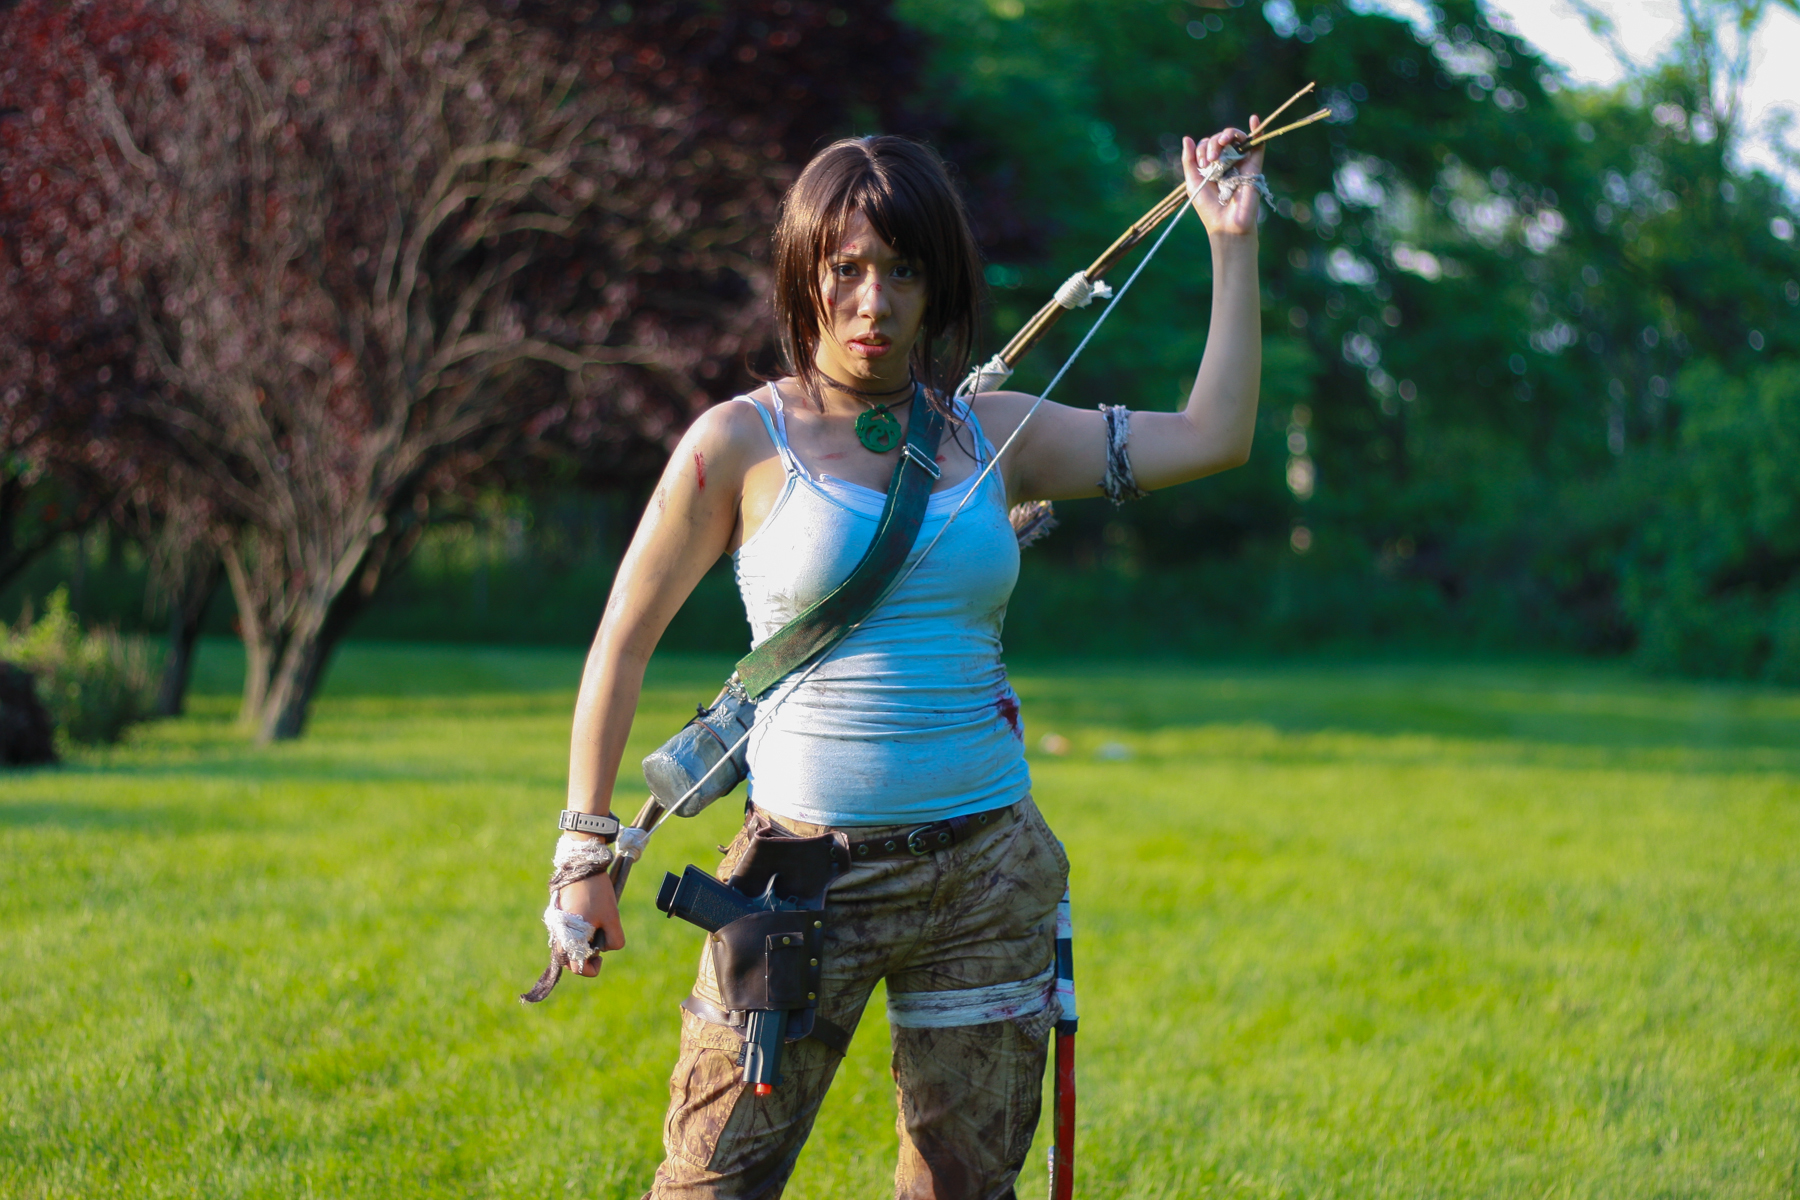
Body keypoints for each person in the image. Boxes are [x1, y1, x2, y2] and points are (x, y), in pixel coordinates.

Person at [546, 122, 1266, 1199]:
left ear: (940, 285)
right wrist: (583, 850)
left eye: (903, 271)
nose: (872, 303)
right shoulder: (738, 441)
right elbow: (622, 641)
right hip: (797, 882)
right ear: (805, 273)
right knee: (710, 1185)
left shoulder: (993, 433)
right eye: (845, 270)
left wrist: (1231, 242)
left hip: (988, 874)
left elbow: (1214, 437)